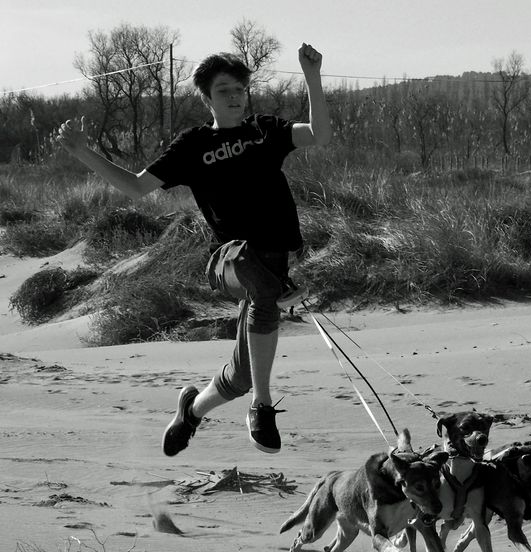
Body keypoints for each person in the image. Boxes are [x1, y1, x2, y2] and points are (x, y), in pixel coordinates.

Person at [56, 43, 332, 457]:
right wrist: (81, 152)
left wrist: (312, 76)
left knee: (238, 376)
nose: (236, 96)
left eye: (240, 88)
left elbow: (319, 134)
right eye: (224, 90)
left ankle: (191, 411)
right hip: (229, 262)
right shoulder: (193, 145)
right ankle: (262, 405)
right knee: (255, 275)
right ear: (207, 97)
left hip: (274, 265)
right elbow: (134, 186)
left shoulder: (265, 130)